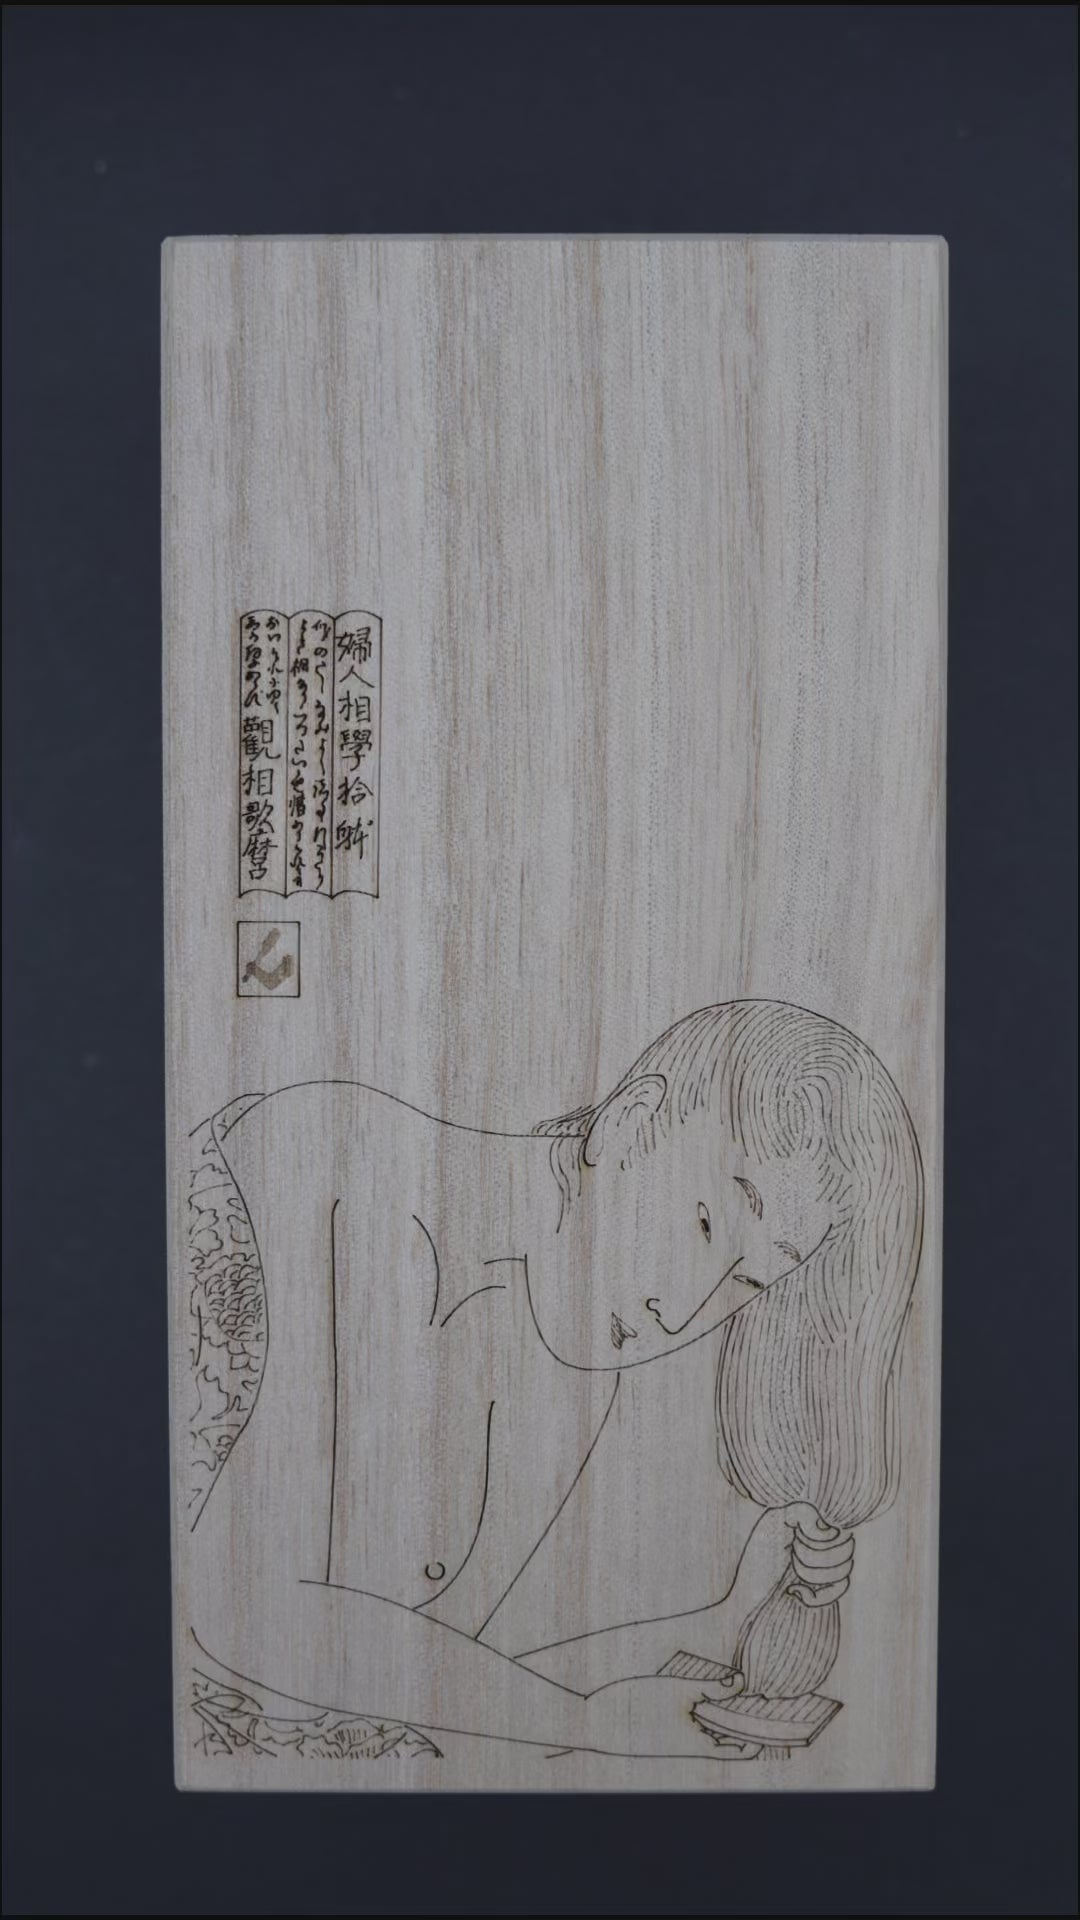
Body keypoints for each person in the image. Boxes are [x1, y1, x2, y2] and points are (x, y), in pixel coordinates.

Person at [186, 1000, 922, 1759]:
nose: (682, 1313)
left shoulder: (571, 1345)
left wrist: (722, 1622)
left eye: (747, 1282)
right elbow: (243, 1608)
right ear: (628, 1124)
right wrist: (583, 1723)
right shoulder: (335, 1156)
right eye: (705, 1224)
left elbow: (437, 1667)